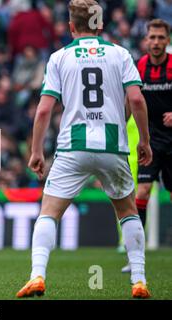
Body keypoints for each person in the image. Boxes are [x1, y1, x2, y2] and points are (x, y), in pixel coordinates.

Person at [16, 0, 153, 299]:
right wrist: (144, 140)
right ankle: (139, 280)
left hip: (73, 147)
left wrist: (36, 151)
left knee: (49, 213)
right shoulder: (120, 54)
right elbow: (138, 101)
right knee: (128, 211)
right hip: (113, 145)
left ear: (70, 26)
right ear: (101, 25)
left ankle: (37, 276)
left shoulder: (59, 57)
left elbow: (43, 111)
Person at [121, 19, 172, 273]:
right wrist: (120, 124)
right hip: (149, 142)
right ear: (146, 40)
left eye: (161, 38)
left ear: (168, 40)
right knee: (141, 193)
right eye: (152, 37)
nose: (155, 42)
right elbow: (132, 100)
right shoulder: (139, 65)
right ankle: (135, 257)